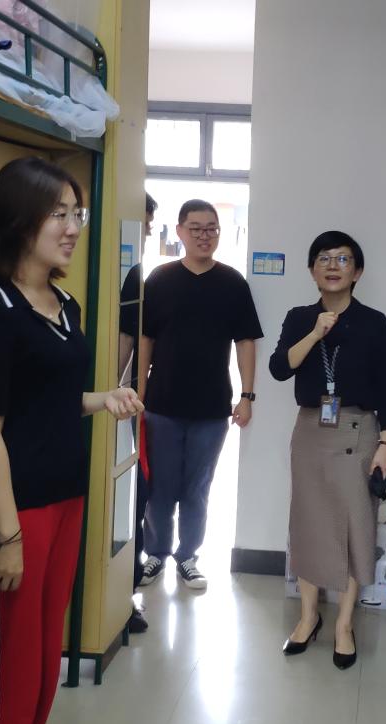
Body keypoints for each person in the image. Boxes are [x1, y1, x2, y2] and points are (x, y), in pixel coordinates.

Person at [0, 157, 143, 724]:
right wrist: (8, 536)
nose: (71, 227)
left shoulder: (65, 304)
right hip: (11, 512)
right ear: (19, 219)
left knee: (41, 662)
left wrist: (102, 399)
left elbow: (50, 399)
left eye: (75, 214)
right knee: (3, 670)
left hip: (65, 500)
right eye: (57, 214)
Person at [269, 231, 386, 669]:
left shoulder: (374, 321)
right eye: (324, 258)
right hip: (311, 428)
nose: (332, 265)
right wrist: (314, 333)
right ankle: (309, 616)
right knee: (307, 521)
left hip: (358, 430)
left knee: (353, 524)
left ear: (357, 271)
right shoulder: (299, 317)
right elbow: (279, 368)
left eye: (342, 259)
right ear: (312, 270)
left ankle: (344, 623)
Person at [137, 199, 263, 590]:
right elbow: (145, 339)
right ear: (180, 231)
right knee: (160, 487)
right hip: (161, 405)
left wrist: (247, 396)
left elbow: (245, 341)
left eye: (211, 229)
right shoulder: (159, 280)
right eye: (196, 228)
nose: (204, 236)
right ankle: (155, 554)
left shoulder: (233, 283)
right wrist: (138, 394)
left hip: (211, 408)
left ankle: (188, 556)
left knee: (197, 488)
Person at [119, 192, 155, 634]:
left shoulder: (136, 278)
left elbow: (129, 345)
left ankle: (124, 598)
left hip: (123, 409)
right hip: (105, 405)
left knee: (135, 498)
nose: (144, 233)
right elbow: (122, 347)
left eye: (147, 225)